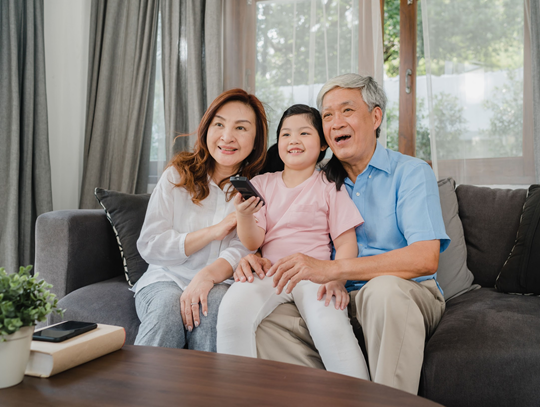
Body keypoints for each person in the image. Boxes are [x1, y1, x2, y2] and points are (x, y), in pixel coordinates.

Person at [234, 74, 450, 395]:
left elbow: (425, 258)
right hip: (336, 299)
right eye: (327, 115)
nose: (336, 122)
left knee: (383, 292)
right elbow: (280, 229)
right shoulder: (319, 182)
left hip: (403, 293)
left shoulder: (411, 172)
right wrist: (250, 257)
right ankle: (346, 396)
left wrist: (334, 270)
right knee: (266, 323)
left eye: (347, 111)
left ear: (375, 117)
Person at [217, 105, 370, 380]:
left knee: (331, 327)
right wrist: (243, 215)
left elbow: (346, 243)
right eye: (286, 134)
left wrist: (336, 279)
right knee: (231, 313)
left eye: (303, 133)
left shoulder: (329, 186)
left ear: (323, 144)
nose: (293, 140)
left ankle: (360, 397)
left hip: (315, 274)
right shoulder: (263, 183)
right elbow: (254, 240)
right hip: (270, 272)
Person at [133, 88, 268, 352]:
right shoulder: (177, 175)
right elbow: (150, 244)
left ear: (256, 140)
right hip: (165, 278)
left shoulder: (255, 187)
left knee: (214, 309)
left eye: (241, 128)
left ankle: (206, 393)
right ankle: (141, 392)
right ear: (206, 129)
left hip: (220, 282)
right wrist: (213, 232)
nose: (227, 137)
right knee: (166, 310)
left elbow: (244, 247)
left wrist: (206, 276)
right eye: (219, 124)